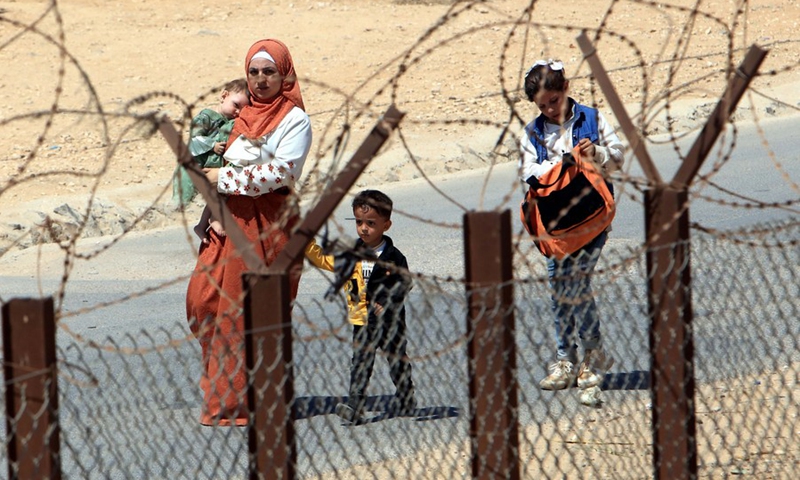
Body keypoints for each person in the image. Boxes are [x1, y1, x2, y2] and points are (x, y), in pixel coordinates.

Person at [186, 39, 312, 426]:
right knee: (203, 302)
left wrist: (222, 176)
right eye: (254, 72)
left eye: (269, 72)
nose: (260, 80)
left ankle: (239, 402)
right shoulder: (242, 118)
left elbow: (280, 173)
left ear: (284, 75)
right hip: (228, 218)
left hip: (266, 225)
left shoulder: (294, 120)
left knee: (244, 314)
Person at [518, 58, 624, 406]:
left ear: (565, 89)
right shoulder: (533, 132)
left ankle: (592, 358)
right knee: (558, 288)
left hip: (592, 216)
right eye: (542, 105)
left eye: (554, 100)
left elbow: (618, 155)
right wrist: (561, 164)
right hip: (554, 225)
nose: (550, 109)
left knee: (576, 282)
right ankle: (566, 358)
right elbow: (527, 171)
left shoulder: (592, 119)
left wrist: (596, 154)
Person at [305, 190, 416, 423]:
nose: (364, 228)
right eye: (359, 222)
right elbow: (326, 260)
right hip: (362, 319)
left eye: (371, 223)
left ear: (386, 225)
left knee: (396, 359)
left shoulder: (394, 257)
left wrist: (386, 302)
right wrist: (306, 243)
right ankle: (355, 406)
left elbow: (405, 283)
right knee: (360, 363)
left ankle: (406, 396)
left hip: (390, 321)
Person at [173, 78, 251, 242]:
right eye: (236, 105)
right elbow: (194, 137)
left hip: (216, 168)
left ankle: (202, 225)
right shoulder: (206, 117)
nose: (238, 112)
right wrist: (212, 145)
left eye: (242, 110)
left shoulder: (231, 122)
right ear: (224, 96)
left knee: (222, 193)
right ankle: (213, 219)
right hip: (200, 165)